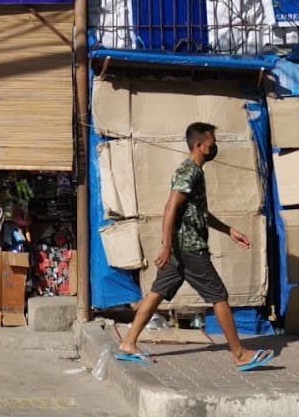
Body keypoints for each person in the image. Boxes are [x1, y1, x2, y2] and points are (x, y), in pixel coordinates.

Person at [116, 123, 273, 372]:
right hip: (189, 249)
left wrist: (229, 230)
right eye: (211, 144)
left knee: (156, 293)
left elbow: (198, 212)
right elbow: (170, 207)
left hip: (181, 251)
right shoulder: (189, 172)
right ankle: (240, 354)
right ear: (199, 145)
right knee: (219, 296)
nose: (215, 147)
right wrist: (166, 246)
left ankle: (128, 343)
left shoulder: (194, 172)